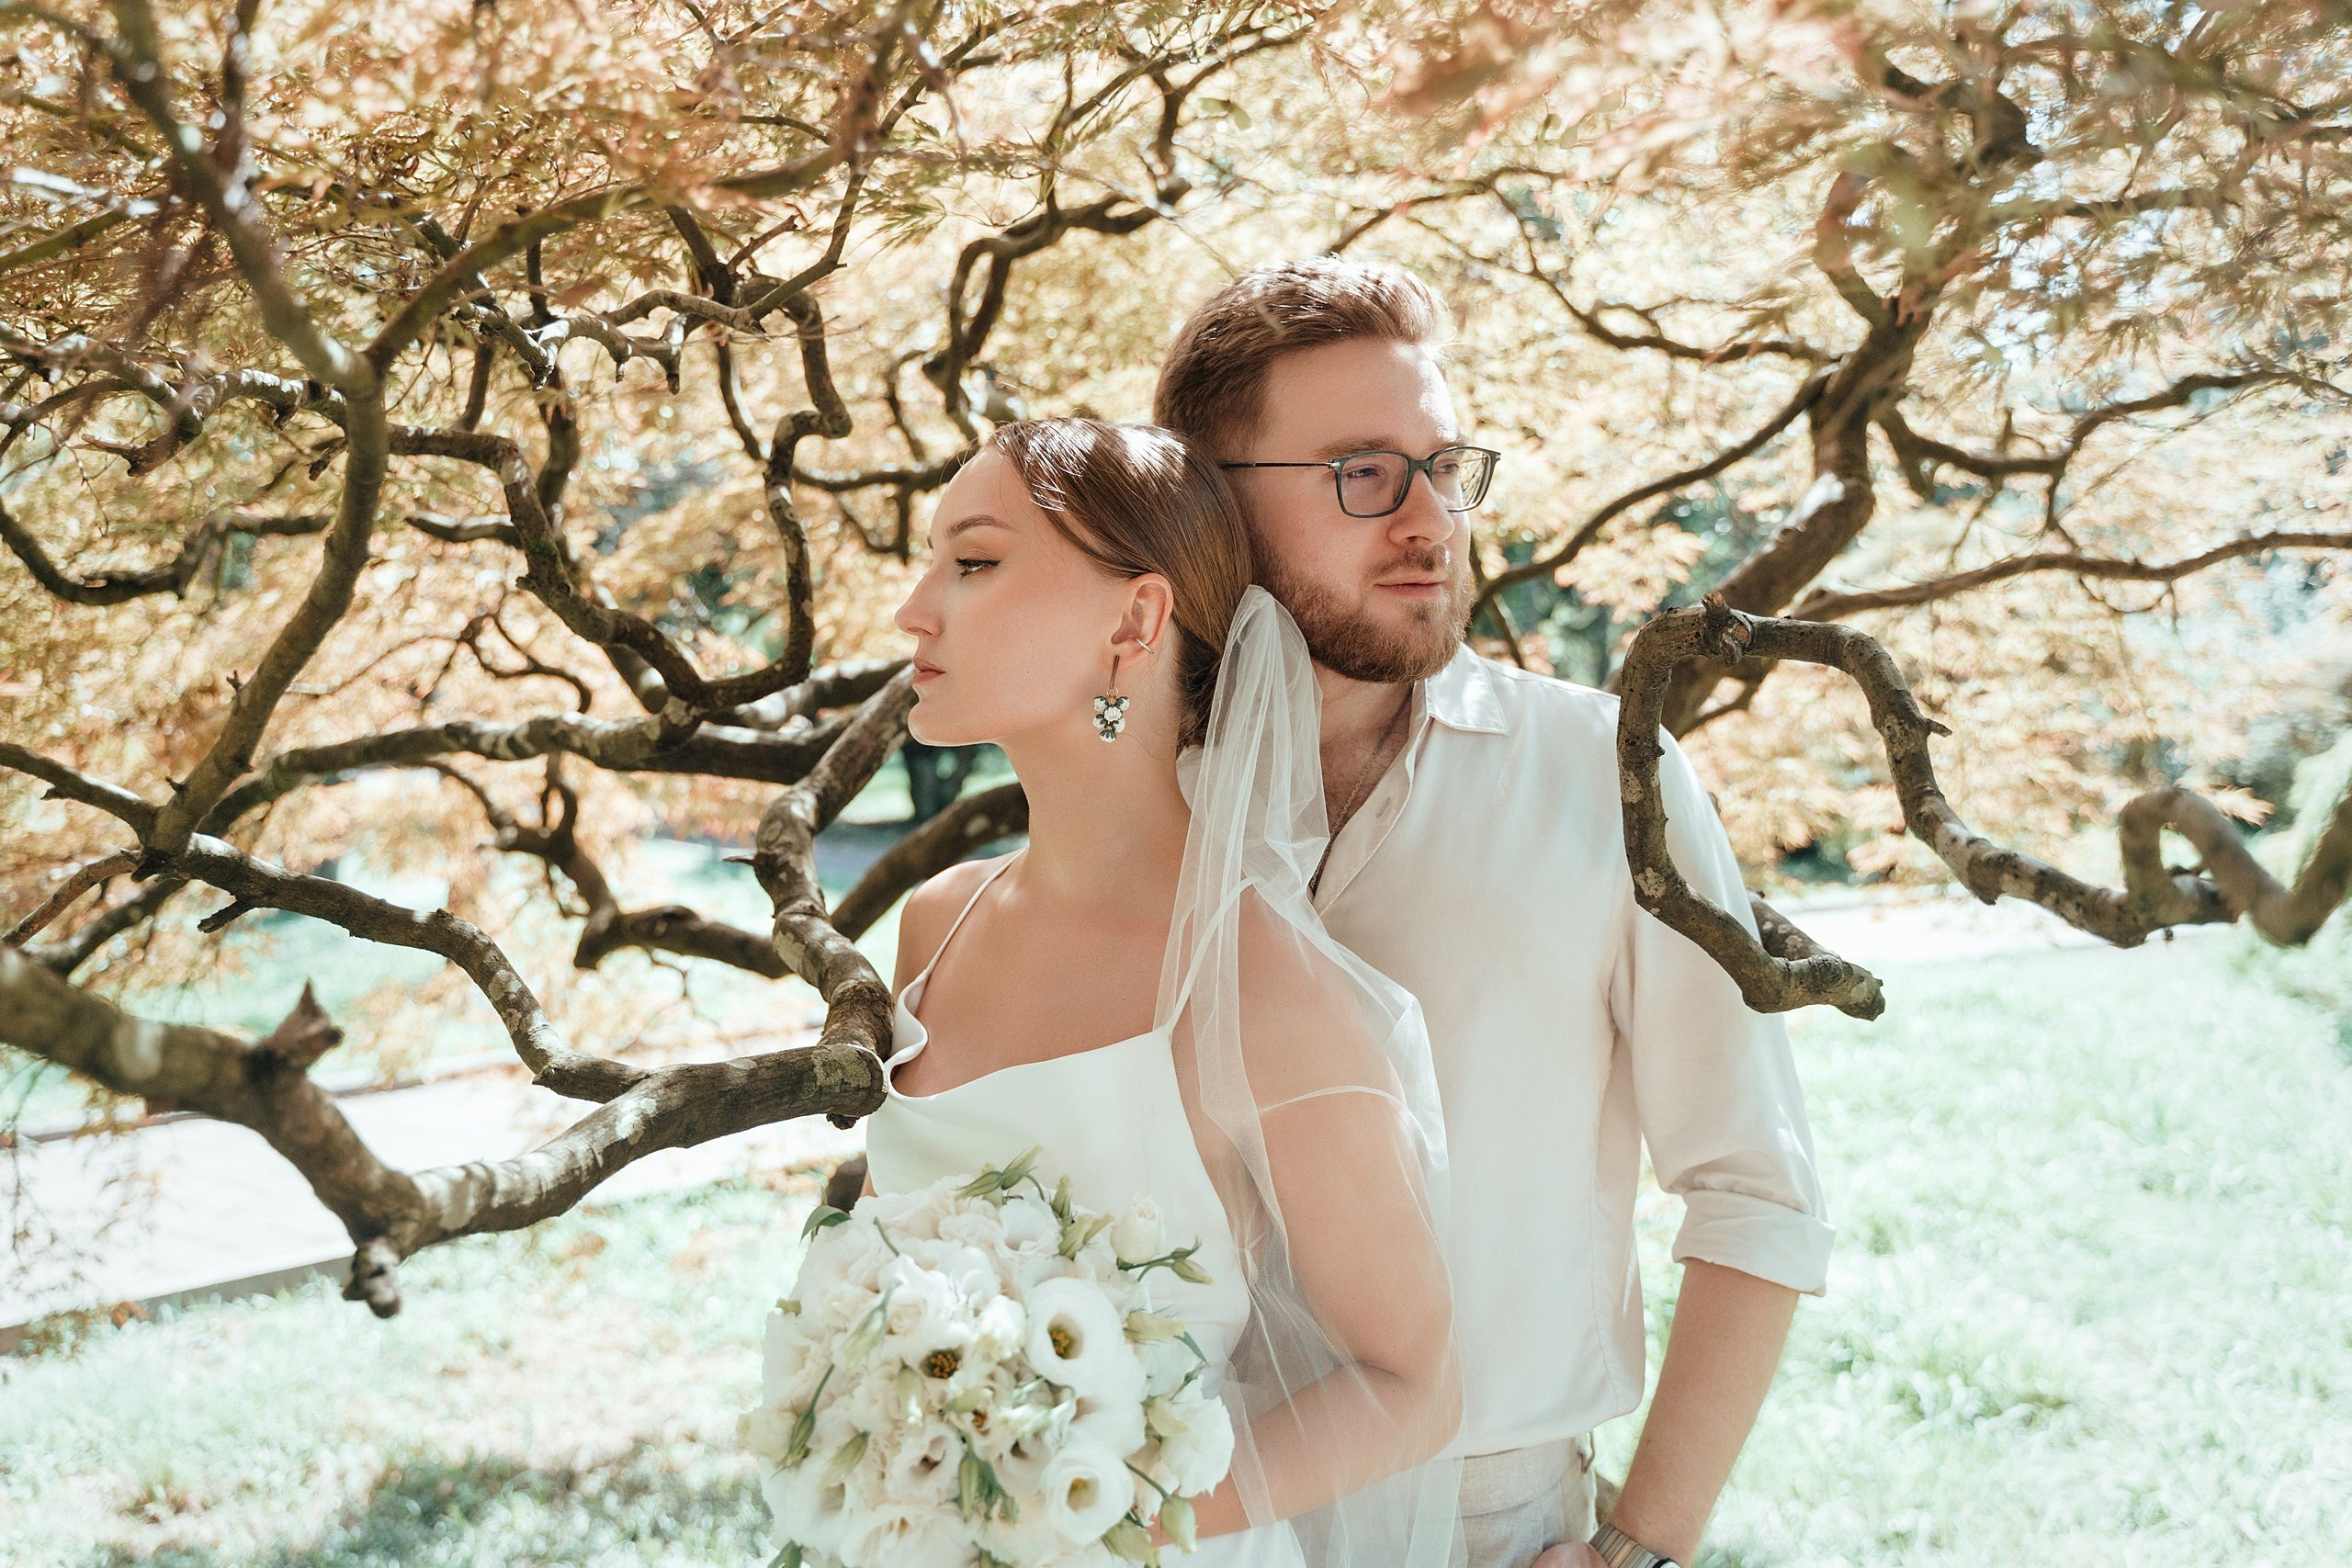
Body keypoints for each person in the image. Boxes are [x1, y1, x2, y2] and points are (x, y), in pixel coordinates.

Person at [1153, 259, 1833, 1568]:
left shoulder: (1600, 773)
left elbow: (1756, 1184)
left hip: (1494, 1524)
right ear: (1214, 508)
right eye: (1363, 472)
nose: (1427, 520)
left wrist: (1643, 1545)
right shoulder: (1136, 804)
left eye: (1445, 466)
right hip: (1170, 1512)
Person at [868, 418, 1464, 1566]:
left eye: (974, 562)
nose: (914, 609)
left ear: (1135, 622)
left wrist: (1103, 1513)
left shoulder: (1258, 987)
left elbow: (1413, 1383)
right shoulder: (934, 923)